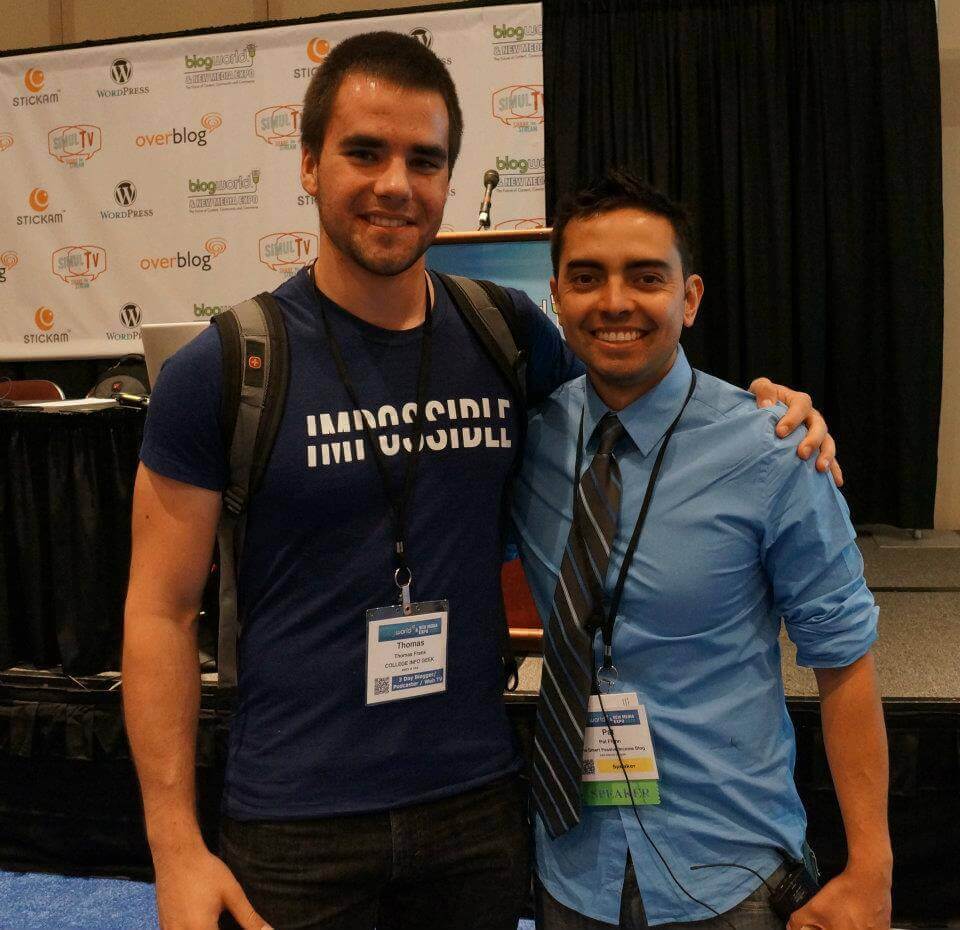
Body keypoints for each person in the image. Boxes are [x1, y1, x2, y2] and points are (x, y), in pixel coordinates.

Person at [122, 33, 838, 930]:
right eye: (364, 152)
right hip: (294, 823)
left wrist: (772, 407)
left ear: (448, 179)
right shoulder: (224, 369)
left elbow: (639, 402)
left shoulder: (505, 337)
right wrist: (174, 846)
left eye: (425, 160)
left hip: (478, 808)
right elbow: (157, 613)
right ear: (308, 164)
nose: (395, 183)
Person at [511, 170, 892, 930]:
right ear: (557, 295)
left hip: (725, 874)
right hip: (567, 867)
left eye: (645, 277)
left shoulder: (776, 450)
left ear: (688, 298)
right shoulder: (531, 439)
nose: (614, 301)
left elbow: (844, 661)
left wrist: (870, 870)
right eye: (587, 278)